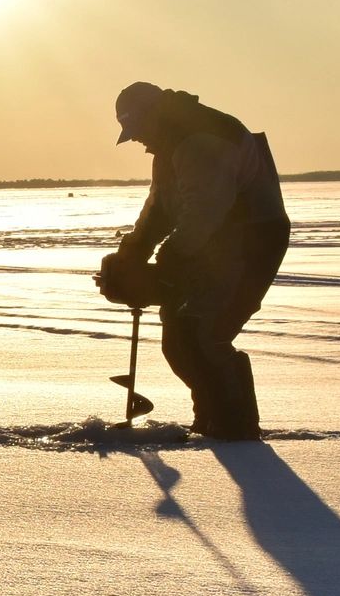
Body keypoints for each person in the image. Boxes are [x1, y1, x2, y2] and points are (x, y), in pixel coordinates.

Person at [94, 82, 290, 441]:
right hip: (211, 244)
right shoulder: (171, 145)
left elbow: (204, 211)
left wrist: (170, 258)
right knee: (179, 337)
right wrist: (134, 250)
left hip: (252, 241)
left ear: (153, 116)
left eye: (138, 131)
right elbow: (159, 208)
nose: (138, 141)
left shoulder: (202, 140)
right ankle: (210, 420)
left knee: (204, 333)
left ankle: (236, 430)